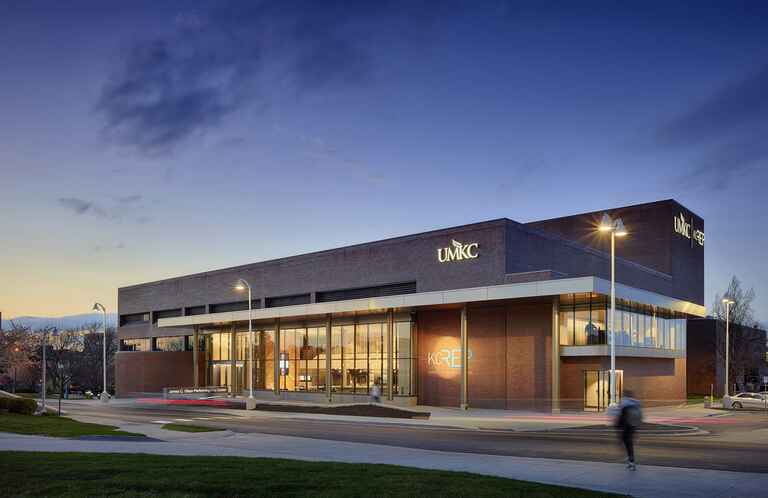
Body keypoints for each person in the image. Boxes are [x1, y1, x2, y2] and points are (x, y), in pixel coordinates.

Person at [614, 390, 642, 470]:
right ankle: (630, 460)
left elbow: (621, 414)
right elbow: (640, 415)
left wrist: (617, 425)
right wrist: (638, 427)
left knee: (625, 442)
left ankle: (630, 460)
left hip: (626, 425)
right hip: (633, 424)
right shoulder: (636, 402)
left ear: (625, 395)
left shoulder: (624, 401)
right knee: (628, 442)